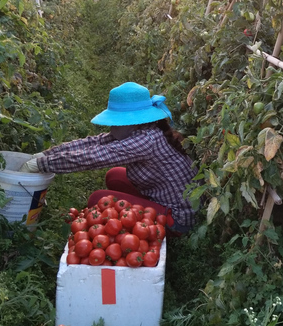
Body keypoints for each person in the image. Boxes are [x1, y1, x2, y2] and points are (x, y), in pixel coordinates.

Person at [18, 82, 199, 233]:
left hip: (177, 218)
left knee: (97, 200)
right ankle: (146, 208)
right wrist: (46, 154)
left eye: (115, 121)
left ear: (132, 121)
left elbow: (92, 157)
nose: (112, 127)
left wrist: (41, 164)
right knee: (114, 176)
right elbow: (94, 142)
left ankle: (164, 230)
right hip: (162, 198)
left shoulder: (146, 140)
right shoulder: (144, 128)